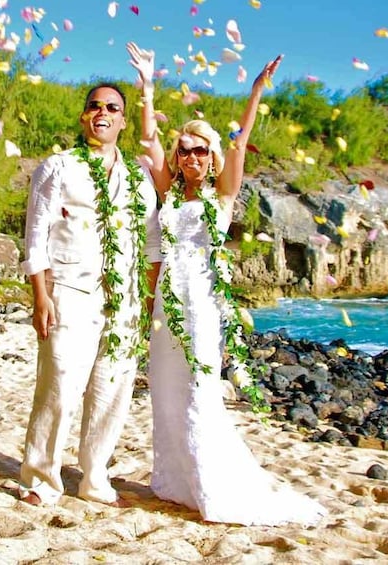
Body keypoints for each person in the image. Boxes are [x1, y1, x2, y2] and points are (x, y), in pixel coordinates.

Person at [127, 42, 327, 526]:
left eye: (200, 150)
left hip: (202, 304)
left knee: (198, 390)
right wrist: (148, 87)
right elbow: (149, 138)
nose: (191, 156)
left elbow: (240, 140)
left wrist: (256, 91)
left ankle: (212, 484)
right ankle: (178, 483)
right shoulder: (166, 192)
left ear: (210, 157)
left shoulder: (221, 196)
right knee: (166, 391)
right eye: (185, 149)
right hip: (164, 307)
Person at [18, 82, 162, 507]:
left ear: (122, 118)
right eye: (94, 106)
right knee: (59, 385)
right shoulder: (58, 166)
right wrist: (40, 297)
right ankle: (40, 478)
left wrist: (149, 300)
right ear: (85, 115)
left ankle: (95, 477)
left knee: (111, 390)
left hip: (126, 299)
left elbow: (151, 241)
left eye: (112, 107)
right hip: (69, 292)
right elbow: (36, 237)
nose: (102, 113)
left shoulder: (138, 175)